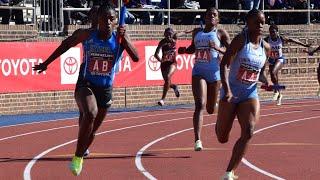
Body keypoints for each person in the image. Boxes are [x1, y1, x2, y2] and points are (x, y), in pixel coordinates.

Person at [33, 3, 139, 176]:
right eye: (103, 18)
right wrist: (46, 63)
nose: (107, 22)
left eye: (111, 19)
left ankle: (81, 151)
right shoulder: (87, 35)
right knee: (90, 113)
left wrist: (125, 38)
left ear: (115, 22)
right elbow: (66, 44)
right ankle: (77, 157)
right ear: (98, 20)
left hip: (105, 89)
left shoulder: (119, 39)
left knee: (91, 131)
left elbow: (136, 58)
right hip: (86, 84)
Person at [215, 9, 271, 180]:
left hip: (250, 93)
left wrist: (266, 80)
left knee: (249, 131)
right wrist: (227, 89)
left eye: (263, 22)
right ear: (248, 23)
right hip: (231, 92)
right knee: (222, 137)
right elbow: (224, 64)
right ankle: (219, 124)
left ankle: (229, 172)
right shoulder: (241, 40)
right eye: (257, 22)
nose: (261, 25)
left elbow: (261, 72)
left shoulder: (266, 48)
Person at [178, 7, 230, 151]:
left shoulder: (220, 33)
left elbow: (231, 51)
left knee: (210, 109)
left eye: (214, 15)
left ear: (218, 19)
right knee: (200, 104)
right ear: (205, 17)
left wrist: (218, 49)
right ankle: (197, 140)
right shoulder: (197, 32)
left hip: (214, 74)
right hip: (198, 71)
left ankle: (215, 105)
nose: (211, 17)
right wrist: (184, 51)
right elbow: (193, 48)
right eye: (209, 15)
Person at [265, 24, 310, 105]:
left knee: (273, 72)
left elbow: (293, 40)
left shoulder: (281, 38)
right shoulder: (267, 39)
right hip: (271, 59)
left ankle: (276, 91)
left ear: (277, 32)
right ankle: (279, 94)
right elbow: (258, 44)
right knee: (273, 78)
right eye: (271, 32)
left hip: (280, 59)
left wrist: (304, 45)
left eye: (274, 32)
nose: (272, 33)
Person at [154, 27, 192, 106]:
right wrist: (160, 60)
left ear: (172, 34)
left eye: (170, 34)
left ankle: (162, 99)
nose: (168, 36)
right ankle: (174, 86)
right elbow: (156, 54)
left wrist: (193, 30)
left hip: (172, 63)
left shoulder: (175, 37)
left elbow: (184, 31)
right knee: (167, 83)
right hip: (164, 64)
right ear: (164, 35)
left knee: (168, 76)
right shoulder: (162, 42)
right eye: (166, 35)